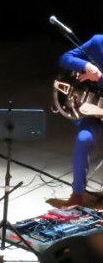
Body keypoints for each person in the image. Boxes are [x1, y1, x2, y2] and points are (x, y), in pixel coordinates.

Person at [56, 36, 103, 206]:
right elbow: (65, 58)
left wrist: (98, 77)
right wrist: (86, 65)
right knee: (83, 139)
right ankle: (77, 194)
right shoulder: (98, 41)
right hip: (93, 113)